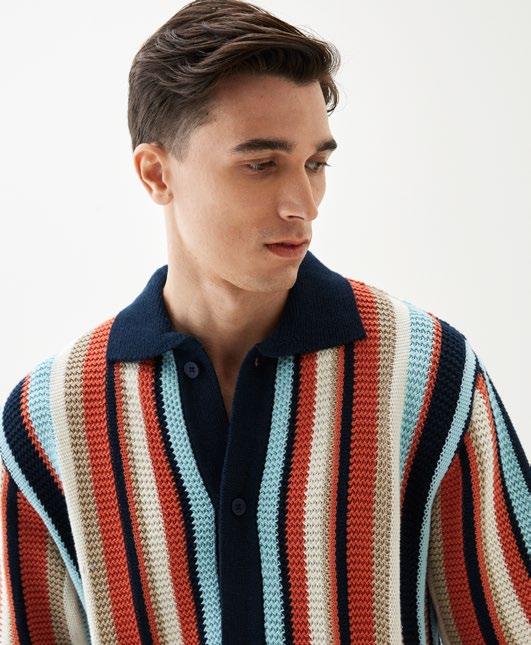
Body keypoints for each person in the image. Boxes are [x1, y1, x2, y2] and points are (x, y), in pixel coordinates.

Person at [1, 1, 529, 643]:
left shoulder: (426, 374)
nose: (303, 204)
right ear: (156, 173)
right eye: (261, 164)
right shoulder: (49, 417)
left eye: (316, 164)